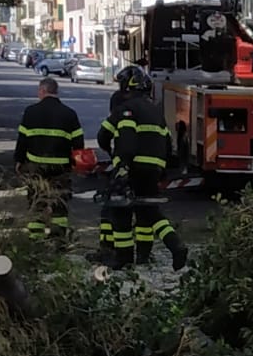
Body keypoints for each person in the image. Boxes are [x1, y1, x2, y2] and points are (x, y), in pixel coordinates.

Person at [95, 66, 189, 270]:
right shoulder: (156, 111)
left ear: (127, 86)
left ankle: (124, 258)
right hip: (154, 168)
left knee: (119, 211)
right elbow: (166, 142)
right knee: (149, 210)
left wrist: (120, 163)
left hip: (133, 167)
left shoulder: (126, 110)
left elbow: (106, 136)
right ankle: (174, 245)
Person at [14, 76, 84, 243]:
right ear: (56, 92)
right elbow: (78, 144)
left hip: (36, 167)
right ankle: (58, 239)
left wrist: (19, 161)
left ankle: (36, 239)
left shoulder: (30, 112)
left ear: (42, 91)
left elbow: (22, 141)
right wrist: (75, 164)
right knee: (60, 204)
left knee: (36, 201)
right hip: (60, 168)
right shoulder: (69, 114)